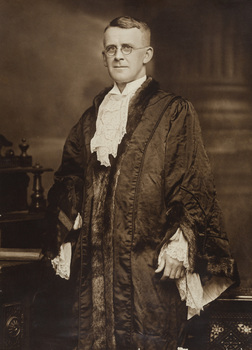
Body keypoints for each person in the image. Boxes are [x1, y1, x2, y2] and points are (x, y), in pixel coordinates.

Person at [42, 16, 238, 350]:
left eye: (127, 48)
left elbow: (191, 180)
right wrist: (68, 230)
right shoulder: (91, 119)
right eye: (111, 49)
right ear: (104, 56)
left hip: (150, 262)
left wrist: (182, 243)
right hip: (96, 266)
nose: (118, 56)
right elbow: (69, 177)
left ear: (146, 54)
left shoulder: (175, 111)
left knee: (151, 338)